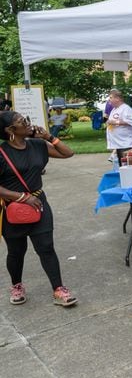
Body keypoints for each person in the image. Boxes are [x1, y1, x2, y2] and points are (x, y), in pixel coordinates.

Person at [0, 112, 77, 306]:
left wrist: (49, 137)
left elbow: (68, 153)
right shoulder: (1, 153)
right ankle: (16, 285)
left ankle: (59, 289)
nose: (28, 123)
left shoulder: (37, 145)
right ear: (10, 130)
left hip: (39, 204)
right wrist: (21, 197)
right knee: (16, 251)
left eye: (26, 119)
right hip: (13, 208)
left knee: (46, 247)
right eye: (21, 121)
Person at [105, 89, 132, 161]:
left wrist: (115, 122)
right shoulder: (114, 109)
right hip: (118, 144)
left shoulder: (126, 108)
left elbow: (130, 121)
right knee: (121, 165)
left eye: (111, 98)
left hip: (126, 144)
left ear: (117, 98)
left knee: (126, 164)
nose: (109, 100)